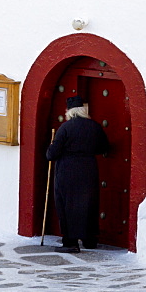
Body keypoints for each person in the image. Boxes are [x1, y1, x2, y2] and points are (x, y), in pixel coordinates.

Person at [46, 95, 110, 253]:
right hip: (88, 169)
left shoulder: (65, 128)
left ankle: (70, 242)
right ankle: (89, 240)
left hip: (67, 171)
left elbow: (51, 154)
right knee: (89, 204)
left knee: (67, 205)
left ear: (69, 111)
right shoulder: (94, 126)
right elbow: (104, 147)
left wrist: (50, 147)